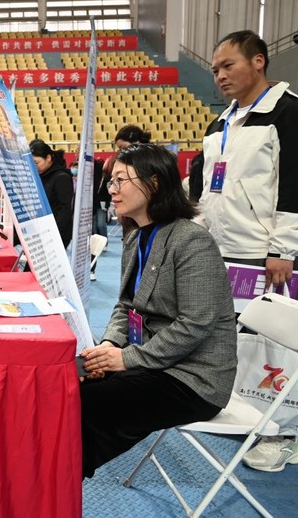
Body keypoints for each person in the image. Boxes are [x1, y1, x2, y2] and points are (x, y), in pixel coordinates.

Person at [199, 29, 298, 472]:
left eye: (228, 65)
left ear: (258, 61)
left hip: (268, 254)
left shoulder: (295, 115)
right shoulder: (221, 124)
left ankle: (285, 435)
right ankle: (248, 415)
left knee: (278, 344)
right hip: (225, 250)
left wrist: (285, 250)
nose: (220, 75)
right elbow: (211, 190)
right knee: (237, 340)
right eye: (214, 69)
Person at [78, 143, 237, 478]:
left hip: (193, 378)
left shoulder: (192, 241)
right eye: (111, 181)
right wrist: (110, 345)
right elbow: (126, 304)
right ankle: (56, 474)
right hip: (153, 360)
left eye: (121, 180)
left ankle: (59, 478)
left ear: (154, 183)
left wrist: (125, 359)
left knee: (89, 403)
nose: (112, 190)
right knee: (76, 382)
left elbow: (194, 325)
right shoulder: (136, 236)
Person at [29, 139, 74, 248]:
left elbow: (65, 210)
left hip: (56, 233)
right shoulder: (42, 175)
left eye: (36, 163)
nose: (34, 167)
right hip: (43, 230)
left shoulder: (62, 178)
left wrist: (53, 233)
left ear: (48, 158)